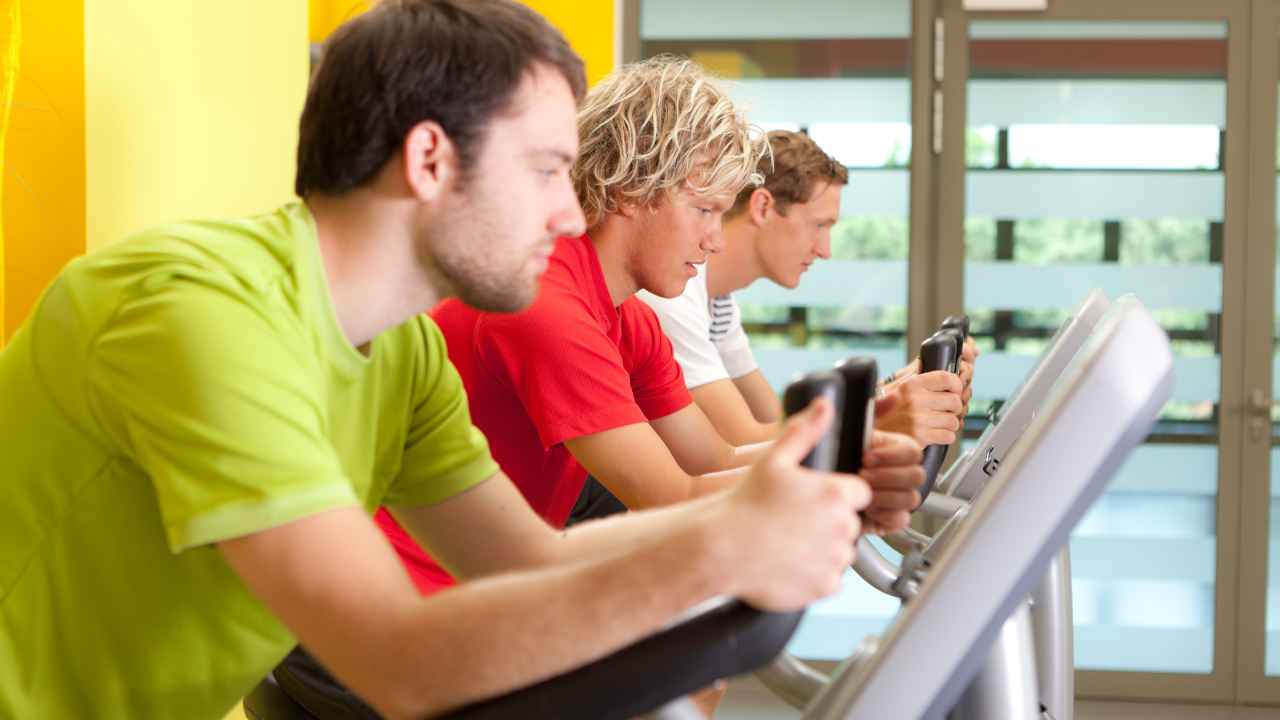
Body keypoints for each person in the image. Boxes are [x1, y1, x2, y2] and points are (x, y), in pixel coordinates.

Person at [0, 3, 899, 719]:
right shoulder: (201, 314)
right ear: (430, 159)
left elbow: (532, 568)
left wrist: (784, 498)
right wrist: (726, 545)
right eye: (547, 170)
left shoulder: (404, 351)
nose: (570, 213)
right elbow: (398, 661)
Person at [570, 129, 978, 524]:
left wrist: (888, 395)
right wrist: (880, 414)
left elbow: (774, 420)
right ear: (763, 207)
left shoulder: (718, 301)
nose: (825, 249)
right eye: (819, 225)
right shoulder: (669, 296)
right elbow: (739, 439)